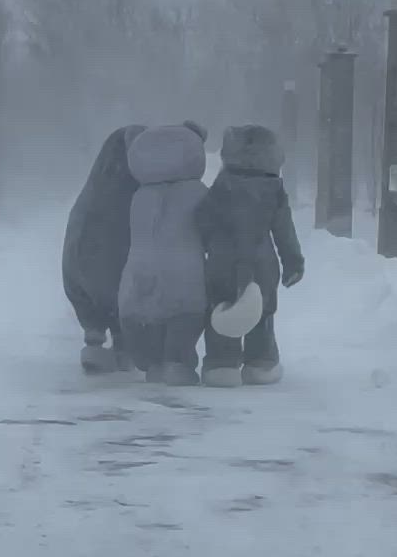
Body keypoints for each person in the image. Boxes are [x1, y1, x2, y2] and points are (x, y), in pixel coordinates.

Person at [196, 124, 304, 388]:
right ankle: (260, 363)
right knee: (262, 313)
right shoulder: (274, 189)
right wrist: (293, 262)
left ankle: (222, 365)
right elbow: (283, 230)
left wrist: (209, 244)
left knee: (220, 308)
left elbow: (203, 219)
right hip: (262, 263)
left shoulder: (222, 185)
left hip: (222, 262)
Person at [119, 121, 208, 386]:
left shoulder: (139, 196)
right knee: (184, 315)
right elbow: (212, 226)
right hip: (186, 269)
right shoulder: (198, 193)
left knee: (143, 314)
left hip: (140, 270)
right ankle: (176, 362)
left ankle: (152, 360)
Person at [62, 124, 145, 373]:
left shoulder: (94, 188)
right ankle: (122, 345)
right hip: (115, 271)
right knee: (118, 294)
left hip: (80, 268)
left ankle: (94, 335)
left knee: (95, 294)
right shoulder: (131, 191)